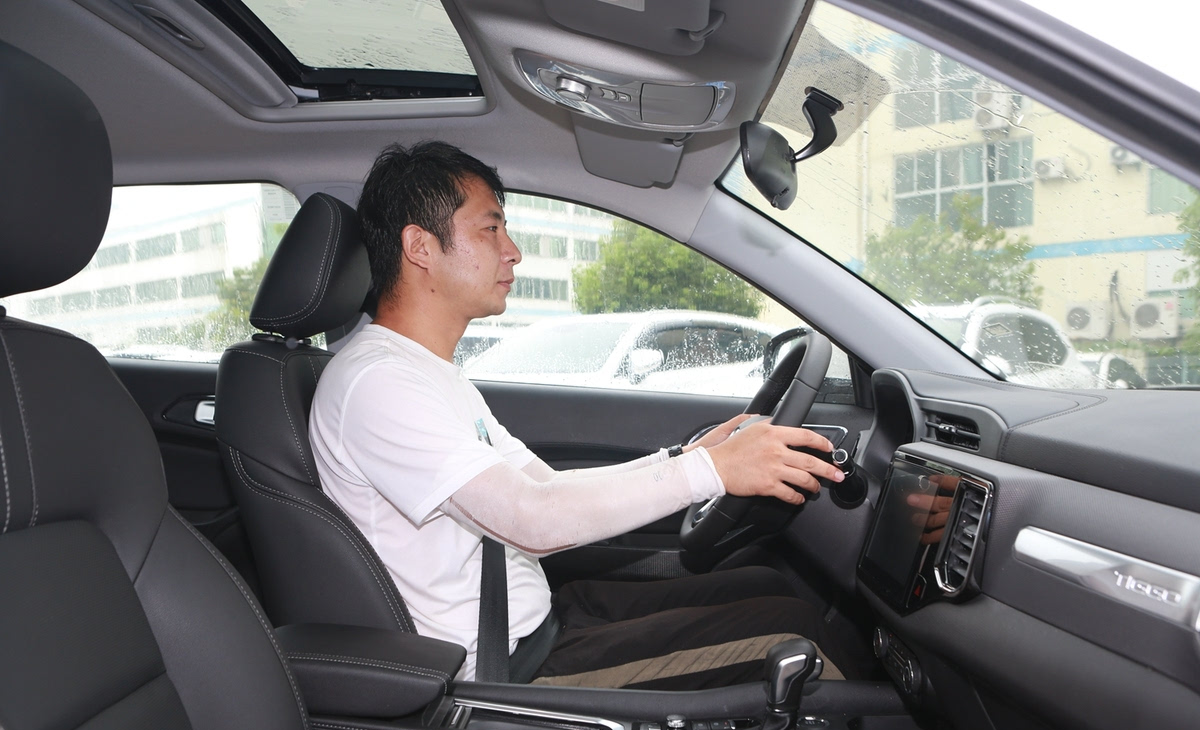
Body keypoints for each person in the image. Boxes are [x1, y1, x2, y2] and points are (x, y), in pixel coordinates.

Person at [309, 141, 850, 689]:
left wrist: (686, 456)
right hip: (505, 667)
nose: (513, 251)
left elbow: (545, 486)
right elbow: (531, 520)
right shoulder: (377, 383)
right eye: (490, 229)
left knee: (762, 585)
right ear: (420, 247)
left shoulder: (426, 373)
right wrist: (713, 471)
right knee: (794, 629)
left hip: (535, 620)